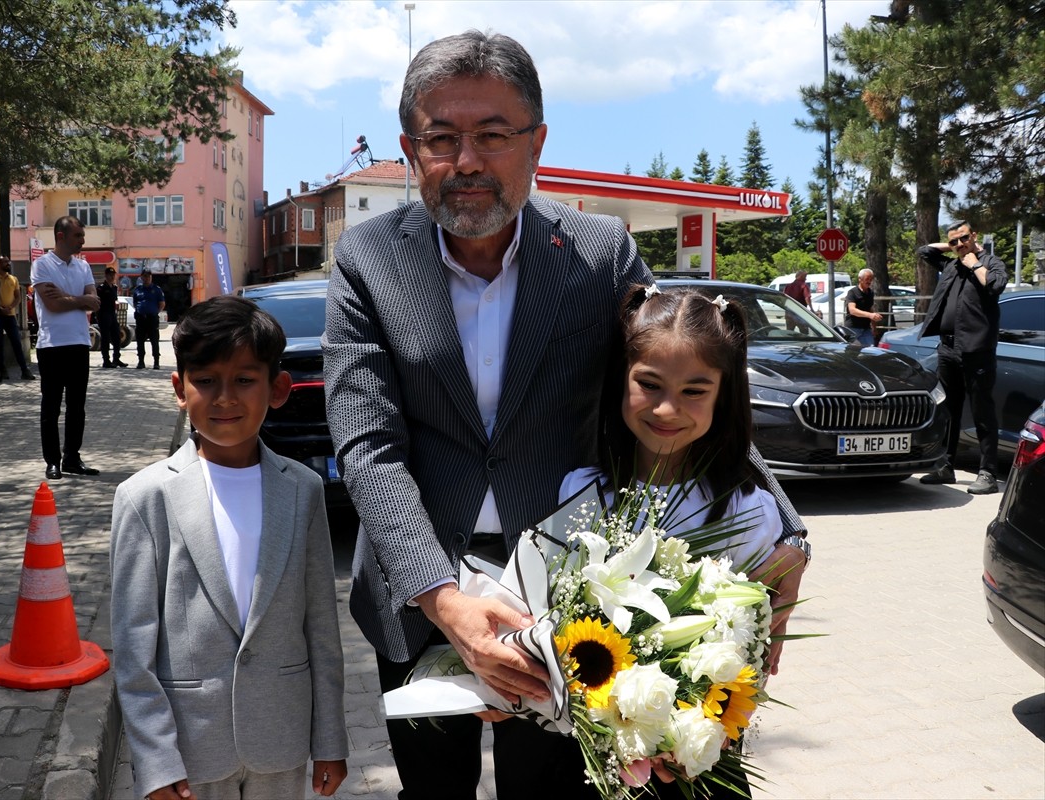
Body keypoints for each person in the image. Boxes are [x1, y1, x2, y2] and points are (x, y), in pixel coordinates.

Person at [322, 29, 808, 800]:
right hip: (420, 597)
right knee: (432, 791)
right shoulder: (368, 259)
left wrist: (788, 529)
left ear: (537, 141)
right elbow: (367, 445)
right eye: (441, 138)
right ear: (411, 150)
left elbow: (679, 385)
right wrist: (444, 601)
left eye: (492, 135)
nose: (468, 162)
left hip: (572, 598)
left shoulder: (599, 252)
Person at [110, 295, 348, 800]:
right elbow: (134, 650)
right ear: (179, 389)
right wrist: (154, 760)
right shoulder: (144, 497)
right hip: (190, 748)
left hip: (280, 740)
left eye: (244, 380)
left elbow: (322, 628)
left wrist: (330, 738)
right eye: (206, 380)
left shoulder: (302, 490)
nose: (225, 399)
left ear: (277, 388)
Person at [560, 286, 791, 798]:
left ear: (724, 395)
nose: (668, 409)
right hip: (597, 754)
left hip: (697, 763)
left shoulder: (747, 508)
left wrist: (696, 734)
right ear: (619, 379)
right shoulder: (580, 491)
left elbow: (753, 643)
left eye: (695, 390)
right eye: (649, 384)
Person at [916, 220, 1007, 495]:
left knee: (982, 412)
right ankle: (945, 466)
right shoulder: (951, 264)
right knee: (949, 410)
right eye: (954, 241)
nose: (959, 245)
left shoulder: (991, 262)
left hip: (976, 349)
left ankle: (988, 472)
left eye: (964, 238)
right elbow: (924, 251)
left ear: (974, 236)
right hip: (948, 349)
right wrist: (956, 246)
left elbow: (995, 286)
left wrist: (974, 262)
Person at [31, 216, 100, 480]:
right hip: (51, 345)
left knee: (77, 406)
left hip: (79, 343)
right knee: (51, 407)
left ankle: (73, 457)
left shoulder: (83, 266)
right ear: (61, 236)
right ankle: (52, 461)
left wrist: (72, 298)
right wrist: (81, 300)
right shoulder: (42, 265)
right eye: (78, 236)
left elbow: (94, 301)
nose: (82, 241)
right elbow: (53, 305)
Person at [0, 255, 35, 380]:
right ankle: (3, 370)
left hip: (10, 316)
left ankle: (24, 370)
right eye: (5, 262)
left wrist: (11, 307)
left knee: (16, 342)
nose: (8, 264)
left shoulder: (13, 279)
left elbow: (18, 297)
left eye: (8, 262)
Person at [132, 267, 166, 369]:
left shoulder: (156, 289)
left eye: (149, 276)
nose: (147, 278)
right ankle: (141, 361)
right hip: (140, 319)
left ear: (151, 277)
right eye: (145, 276)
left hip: (152, 319)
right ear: (142, 277)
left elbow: (162, 304)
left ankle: (156, 362)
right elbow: (135, 303)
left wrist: (154, 312)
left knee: (154, 340)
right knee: (140, 341)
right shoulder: (137, 290)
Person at [96, 266, 127, 368]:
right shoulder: (100, 288)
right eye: (110, 275)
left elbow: (115, 300)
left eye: (113, 275)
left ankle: (116, 359)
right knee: (105, 338)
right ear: (106, 275)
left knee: (117, 337)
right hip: (103, 314)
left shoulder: (114, 287)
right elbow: (97, 303)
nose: (112, 276)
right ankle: (106, 360)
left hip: (112, 314)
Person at [843, 268, 882, 346]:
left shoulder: (870, 293)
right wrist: (870, 315)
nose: (869, 281)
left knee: (870, 351)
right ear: (860, 279)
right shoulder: (852, 292)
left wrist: (874, 327)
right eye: (867, 279)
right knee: (852, 352)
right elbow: (852, 310)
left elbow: (870, 309)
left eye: (871, 279)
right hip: (853, 328)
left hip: (866, 329)